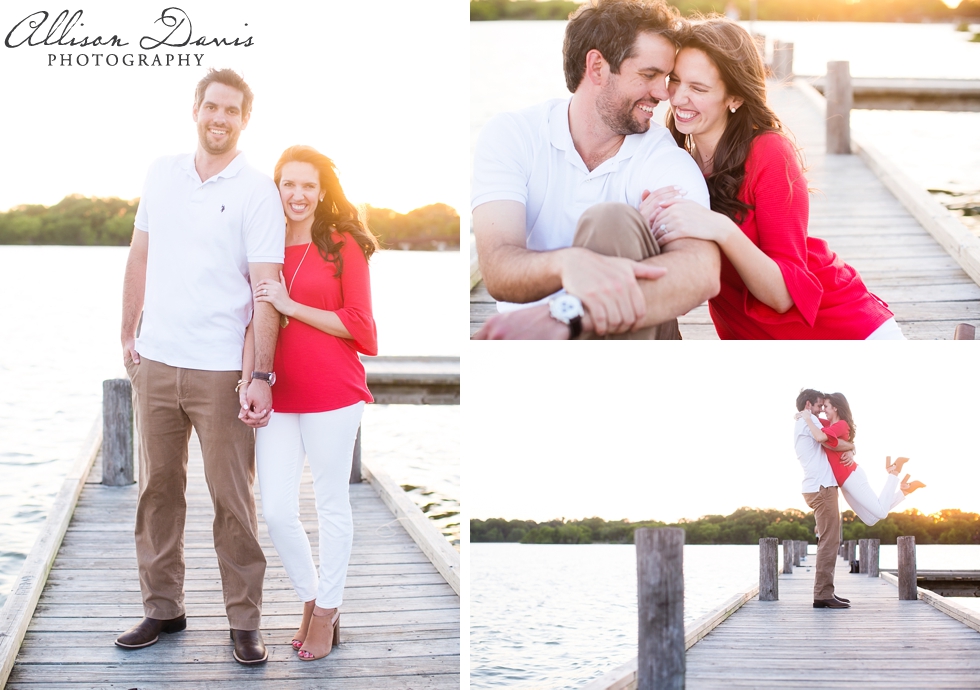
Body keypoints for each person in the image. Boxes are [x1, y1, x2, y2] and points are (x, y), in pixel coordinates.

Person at [117, 69, 284, 664]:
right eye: (212, 106)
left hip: (220, 370)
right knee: (157, 493)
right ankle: (163, 608)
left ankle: (245, 621)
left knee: (232, 499)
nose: (220, 118)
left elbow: (266, 289)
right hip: (158, 361)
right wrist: (127, 331)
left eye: (231, 110)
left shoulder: (257, 191)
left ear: (245, 119)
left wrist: (260, 374)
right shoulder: (161, 173)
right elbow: (140, 255)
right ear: (195, 110)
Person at [471, 0, 721, 340]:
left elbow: (701, 271)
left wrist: (566, 315)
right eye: (649, 75)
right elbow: (499, 268)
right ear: (597, 68)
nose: (664, 94)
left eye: (665, 78)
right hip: (535, 344)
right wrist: (569, 264)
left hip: (632, 345)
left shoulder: (661, 155)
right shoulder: (514, 135)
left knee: (613, 222)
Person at [641, 18, 904, 339]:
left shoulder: (769, 152)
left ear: (735, 98)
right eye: (675, 80)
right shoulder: (673, 159)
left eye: (698, 88)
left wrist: (721, 228)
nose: (678, 98)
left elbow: (782, 296)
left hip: (840, 331)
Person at [252, 146, 378, 661]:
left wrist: (290, 304)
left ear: (322, 191)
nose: (298, 194)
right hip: (279, 394)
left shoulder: (342, 244)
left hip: (333, 393)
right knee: (277, 511)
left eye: (308, 185)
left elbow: (361, 325)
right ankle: (311, 595)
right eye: (289, 184)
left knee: (330, 505)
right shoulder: (265, 243)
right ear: (276, 188)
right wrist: (250, 380)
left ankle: (327, 611)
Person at [797, 392, 926, 526]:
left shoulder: (841, 424)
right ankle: (904, 491)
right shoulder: (828, 425)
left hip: (851, 476)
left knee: (881, 512)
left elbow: (820, 435)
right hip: (842, 482)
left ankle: (894, 472)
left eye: (826, 406)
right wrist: (801, 415)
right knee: (870, 520)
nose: (823, 410)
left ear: (835, 407)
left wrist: (807, 419)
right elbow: (814, 421)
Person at [794, 389, 848, 609]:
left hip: (816, 487)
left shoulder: (804, 421)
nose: (821, 410)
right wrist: (852, 447)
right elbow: (829, 439)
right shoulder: (810, 420)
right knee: (829, 540)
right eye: (819, 406)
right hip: (822, 488)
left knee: (829, 539)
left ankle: (825, 591)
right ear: (809, 405)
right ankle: (823, 594)